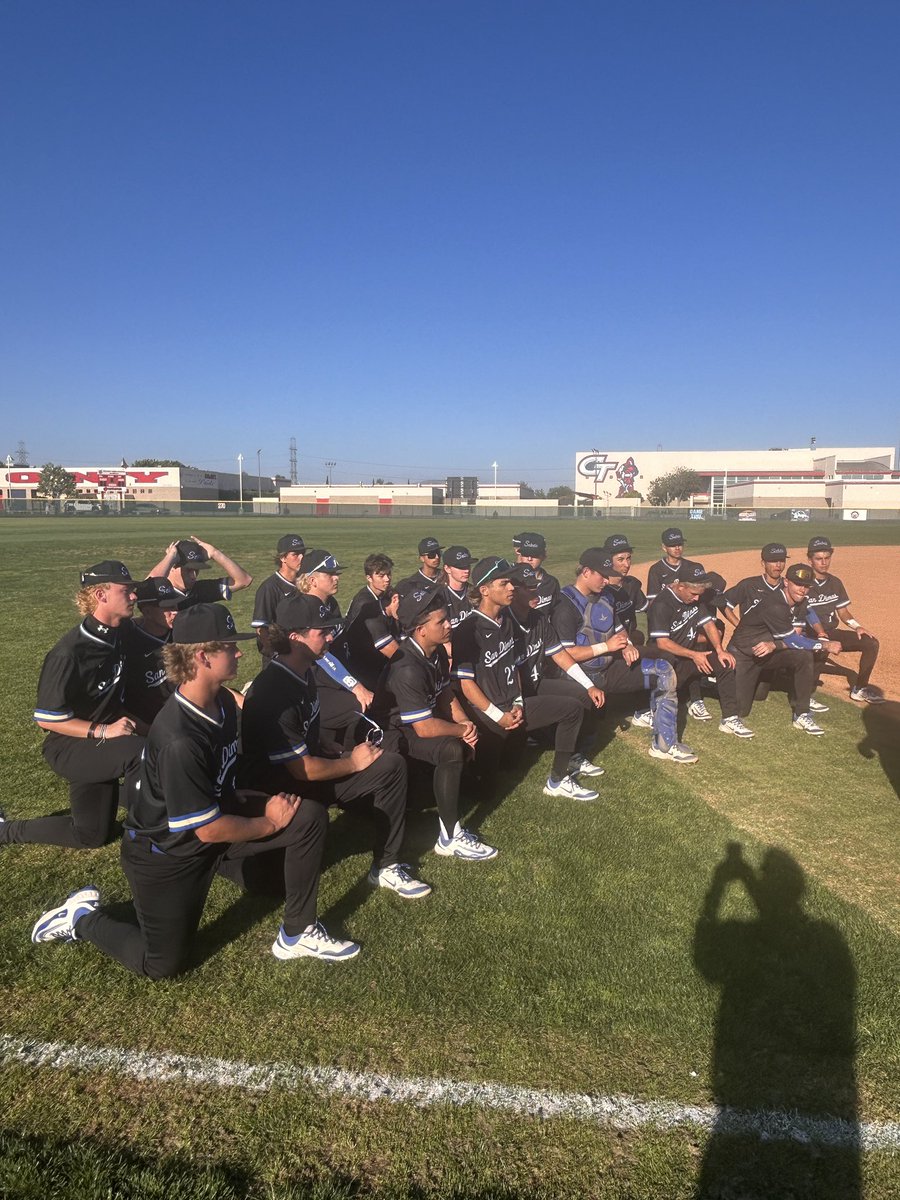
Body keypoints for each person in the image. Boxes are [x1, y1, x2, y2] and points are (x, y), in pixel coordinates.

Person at [31, 604, 360, 972]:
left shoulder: (219, 700)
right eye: (230, 647)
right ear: (202, 656)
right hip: (169, 854)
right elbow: (206, 828)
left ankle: (297, 933)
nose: (239, 652)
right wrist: (268, 822)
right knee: (162, 964)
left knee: (307, 817)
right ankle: (81, 919)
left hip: (216, 820)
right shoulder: (179, 738)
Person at [239, 593, 430, 899]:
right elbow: (303, 771)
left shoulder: (304, 671)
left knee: (391, 764)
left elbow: (308, 734)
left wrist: (330, 747)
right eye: (322, 631)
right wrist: (352, 762)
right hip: (281, 789)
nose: (330, 636)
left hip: (306, 773)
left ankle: (387, 866)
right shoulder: (272, 690)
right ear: (295, 638)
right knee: (268, 885)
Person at [1, 561, 145, 850]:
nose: (133, 597)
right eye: (126, 590)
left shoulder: (120, 630)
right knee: (140, 751)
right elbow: (47, 719)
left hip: (102, 743)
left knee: (91, 835)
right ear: (101, 595)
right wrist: (104, 730)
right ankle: (152, 830)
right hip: (70, 746)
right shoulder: (68, 653)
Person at [451, 557, 599, 800]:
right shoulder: (468, 630)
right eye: (504, 584)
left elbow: (516, 667)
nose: (511, 588)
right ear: (484, 590)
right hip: (490, 715)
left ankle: (558, 780)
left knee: (571, 709)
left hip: (516, 707)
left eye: (511, 583)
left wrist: (519, 703)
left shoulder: (507, 621)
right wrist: (499, 717)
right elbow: (466, 685)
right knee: (487, 788)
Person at [376, 586, 496, 860]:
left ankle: (443, 805)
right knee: (451, 749)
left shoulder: (437, 651)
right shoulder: (407, 668)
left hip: (418, 722)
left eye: (447, 618)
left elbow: (444, 692)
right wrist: (462, 731)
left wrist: (466, 723)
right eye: (440, 622)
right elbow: (424, 728)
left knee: (472, 737)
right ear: (420, 630)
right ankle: (450, 837)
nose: (449, 624)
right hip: (394, 734)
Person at [553, 549, 697, 764]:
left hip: (609, 670)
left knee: (663, 670)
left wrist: (627, 645)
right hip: (579, 677)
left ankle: (664, 745)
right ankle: (576, 756)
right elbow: (566, 653)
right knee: (586, 735)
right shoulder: (565, 604)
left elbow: (619, 629)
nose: (606, 580)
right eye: (601, 575)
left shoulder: (607, 596)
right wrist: (607, 646)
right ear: (585, 572)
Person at [507, 564, 606, 776]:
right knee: (508, 765)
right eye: (530, 588)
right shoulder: (505, 623)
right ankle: (539, 739)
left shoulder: (539, 618)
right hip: (513, 695)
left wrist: (588, 685)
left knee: (582, 695)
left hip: (536, 684)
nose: (537, 592)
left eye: (537, 586)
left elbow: (560, 655)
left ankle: (575, 756)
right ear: (513, 591)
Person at [725, 563, 841, 736]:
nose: (803, 590)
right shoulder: (775, 604)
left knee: (803, 656)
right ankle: (715, 680)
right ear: (786, 582)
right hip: (743, 654)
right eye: (798, 584)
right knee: (742, 708)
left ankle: (802, 713)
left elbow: (807, 617)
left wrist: (775, 645)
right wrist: (825, 644)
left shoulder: (800, 601)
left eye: (807, 586)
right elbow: (793, 639)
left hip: (768, 652)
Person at [646, 566, 751, 739]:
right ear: (680, 586)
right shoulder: (661, 604)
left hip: (688, 656)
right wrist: (694, 655)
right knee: (666, 687)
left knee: (723, 663)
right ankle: (648, 709)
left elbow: (708, 623)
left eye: (699, 595)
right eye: (693, 594)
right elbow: (662, 643)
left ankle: (730, 719)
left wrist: (719, 650)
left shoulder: (695, 598)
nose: (697, 598)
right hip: (665, 659)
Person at [294, 548, 375, 743]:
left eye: (336, 574)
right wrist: (355, 685)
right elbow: (321, 656)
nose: (336, 578)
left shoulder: (331, 604)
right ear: (312, 580)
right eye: (330, 574)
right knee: (357, 704)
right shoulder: (300, 609)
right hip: (312, 683)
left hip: (335, 677)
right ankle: (348, 756)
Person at [805, 536, 884, 704]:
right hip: (809, 634)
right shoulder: (803, 583)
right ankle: (806, 692)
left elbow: (843, 611)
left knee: (871, 643)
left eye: (827, 558)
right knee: (823, 648)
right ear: (810, 559)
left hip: (831, 631)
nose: (824, 562)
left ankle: (859, 689)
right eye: (819, 559)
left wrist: (857, 627)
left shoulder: (835, 582)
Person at [120, 576, 183, 729]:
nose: (174, 612)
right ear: (147, 612)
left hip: (182, 710)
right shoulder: (129, 639)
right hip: (150, 722)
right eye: (167, 608)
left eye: (175, 605)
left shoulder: (181, 631)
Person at [343, 553, 401, 690]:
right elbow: (384, 645)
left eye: (389, 574)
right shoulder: (364, 603)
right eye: (381, 576)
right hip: (362, 666)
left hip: (376, 659)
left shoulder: (385, 595)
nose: (387, 579)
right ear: (369, 578)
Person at [147, 537, 253, 607]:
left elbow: (244, 580)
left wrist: (215, 553)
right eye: (188, 570)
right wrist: (169, 558)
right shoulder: (161, 592)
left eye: (196, 570)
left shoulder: (201, 590)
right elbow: (148, 588)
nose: (193, 576)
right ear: (172, 566)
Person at [251, 533, 305, 659]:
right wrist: (275, 655)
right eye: (295, 554)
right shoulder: (269, 588)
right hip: (280, 656)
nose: (301, 557)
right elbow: (261, 629)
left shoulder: (304, 582)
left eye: (303, 553)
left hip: (301, 653)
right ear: (283, 558)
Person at [602, 534, 647, 644]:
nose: (626, 564)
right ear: (608, 561)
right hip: (608, 644)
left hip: (628, 639)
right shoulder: (601, 589)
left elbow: (648, 608)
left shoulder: (631, 584)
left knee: (639, 636)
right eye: (620, 559)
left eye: (628, 558)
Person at [645, 528, 702, 603]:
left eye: (680, 544)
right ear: (664, 547)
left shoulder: (694, 567)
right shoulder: (656, 570)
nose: (677, 548)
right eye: (673, 545)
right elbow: (653, 601)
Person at [511, 532, 560, 613]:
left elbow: (555, 612)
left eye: (534, 555)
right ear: (519, 553)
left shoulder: (551, 583)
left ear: (544, 556)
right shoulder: (508, 579)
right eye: (526, 554)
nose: (530, 559)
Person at [441, 546, 474, 630]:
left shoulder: (474, 592)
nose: (467, 570)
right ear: (447, 568)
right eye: (461, 567)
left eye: (468, 565)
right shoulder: (438, 596)